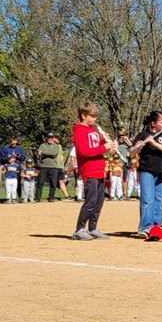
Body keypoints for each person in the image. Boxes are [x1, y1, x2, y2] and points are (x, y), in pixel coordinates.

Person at [71, 100, 116, 240]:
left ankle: (93, 227)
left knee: (99, 200)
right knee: (90, 201)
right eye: (92, 116)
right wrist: (104, 147)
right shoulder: (79, 130)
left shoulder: (94, 130)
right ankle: (79, 229)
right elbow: (84, 151)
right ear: (84, 115)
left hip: (99, 169)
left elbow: (101, 147)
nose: (94, 119)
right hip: (89, 170)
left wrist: (110, 146)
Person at [133, 111, 162, 238]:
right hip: (146, 170)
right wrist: (139, 146)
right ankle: (145, 227)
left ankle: (156, 226)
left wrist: (154, 143)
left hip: (160, 170)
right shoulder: (143, 134)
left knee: (158, 199)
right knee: (147, 199)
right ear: (153, 123)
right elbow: (132, 152)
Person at [35, 132, 65, 202]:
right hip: (44, 166)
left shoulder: (57, 146)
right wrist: (47, 154)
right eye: (49, 137)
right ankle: (37, 198)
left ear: (53, 138)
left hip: (53, 167)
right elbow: (39, 154)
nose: (50, 139)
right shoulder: (42, 145)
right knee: (40, 182)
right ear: (47, 138)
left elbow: (53, 153)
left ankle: (51, 197)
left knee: (53, 183)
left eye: (51, 137)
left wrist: (43, 153)